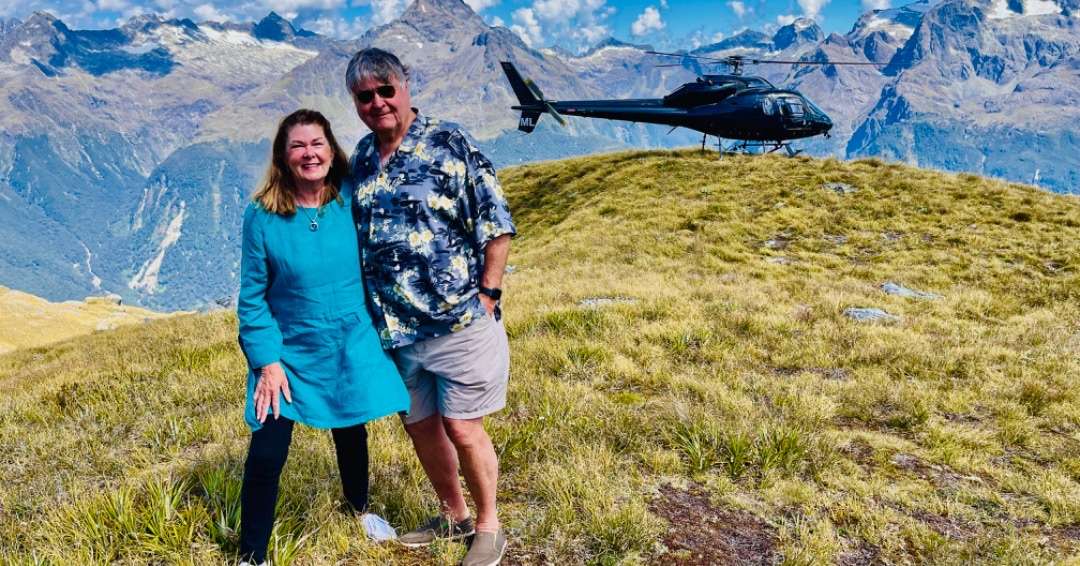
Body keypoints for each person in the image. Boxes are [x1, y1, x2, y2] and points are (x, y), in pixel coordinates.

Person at [344, 48, 516, 566]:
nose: (377, 103)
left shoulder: (448, 142)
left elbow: (496, 221)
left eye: (385, 90)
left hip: (456, 321)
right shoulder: (362, 156)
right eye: (365, 96)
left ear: (405, 85)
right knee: (421, 427)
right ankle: (452, 514)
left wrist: (488, 294)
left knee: (463, 427)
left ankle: (488, 526)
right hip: (395, 331)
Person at [236, 108, 410, 565]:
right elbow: (252, 298)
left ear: (332, 150)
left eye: (317, 143)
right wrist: (266, 363)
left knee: (351, 431)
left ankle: (360, 511)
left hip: (348, 340)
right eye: (297, 145)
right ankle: (252, 555)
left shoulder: (350, 197)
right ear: (283, 156)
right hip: (288, 351)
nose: (308, 153)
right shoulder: (262, 216)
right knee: (267, 450)